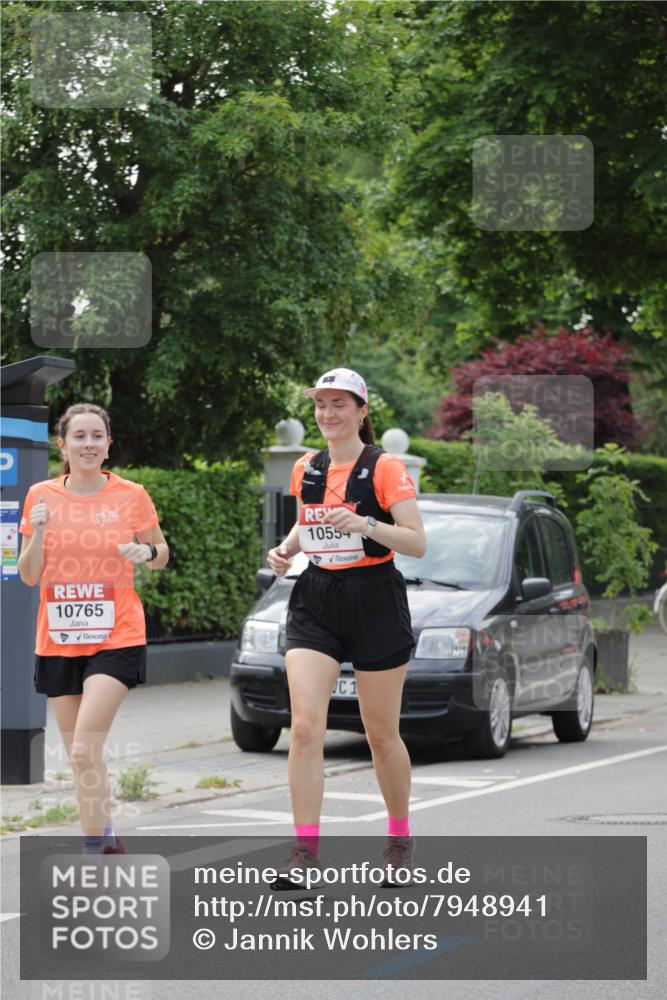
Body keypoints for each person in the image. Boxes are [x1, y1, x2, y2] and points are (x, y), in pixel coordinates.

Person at [266, 368, 426, 887]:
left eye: (339, 404)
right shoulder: (306, 468)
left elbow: (416, 541)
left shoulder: (385, 468)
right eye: (320, 404)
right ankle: (305, 856)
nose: (328, 414)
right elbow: (309, 520)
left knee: (380, 734)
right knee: (307, 727)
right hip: (316, 598)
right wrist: (287, 549)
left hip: (375, 597)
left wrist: (365, 525)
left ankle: (399, 840)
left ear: (361, 410)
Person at [18, 403, 169, 854]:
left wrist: (148, 555)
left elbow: (160, 549)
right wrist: (40, 533)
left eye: (97, 436)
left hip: (116, 634)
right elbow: (28, 574)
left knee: (84, 749)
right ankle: (105, 839)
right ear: (61, 445)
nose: (89, 444)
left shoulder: (131, 494)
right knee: (81, 753)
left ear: (108, 444)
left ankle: (92, 852)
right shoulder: (40, 495)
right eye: (79, 436)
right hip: (60, 638)